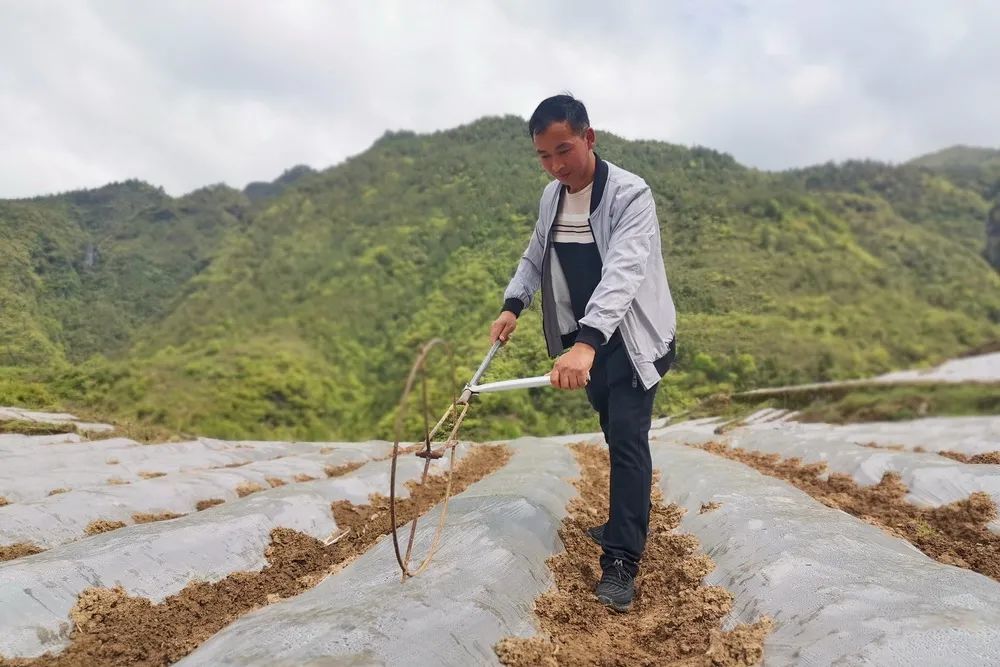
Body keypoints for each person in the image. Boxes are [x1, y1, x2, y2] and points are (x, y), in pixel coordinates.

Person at [490, 94, 677, 612]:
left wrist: (587, 346)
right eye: (544, 157)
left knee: (629, 441)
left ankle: (622, 559)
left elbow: (623, 273)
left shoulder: (630, 196)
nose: (556, 166)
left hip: (632, 338)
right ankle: (624, 519)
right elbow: (535, 254)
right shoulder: (553, 197)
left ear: (590, 138)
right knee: (611, 427)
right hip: (585, 342)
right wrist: (512, 305)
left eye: (564, 150)